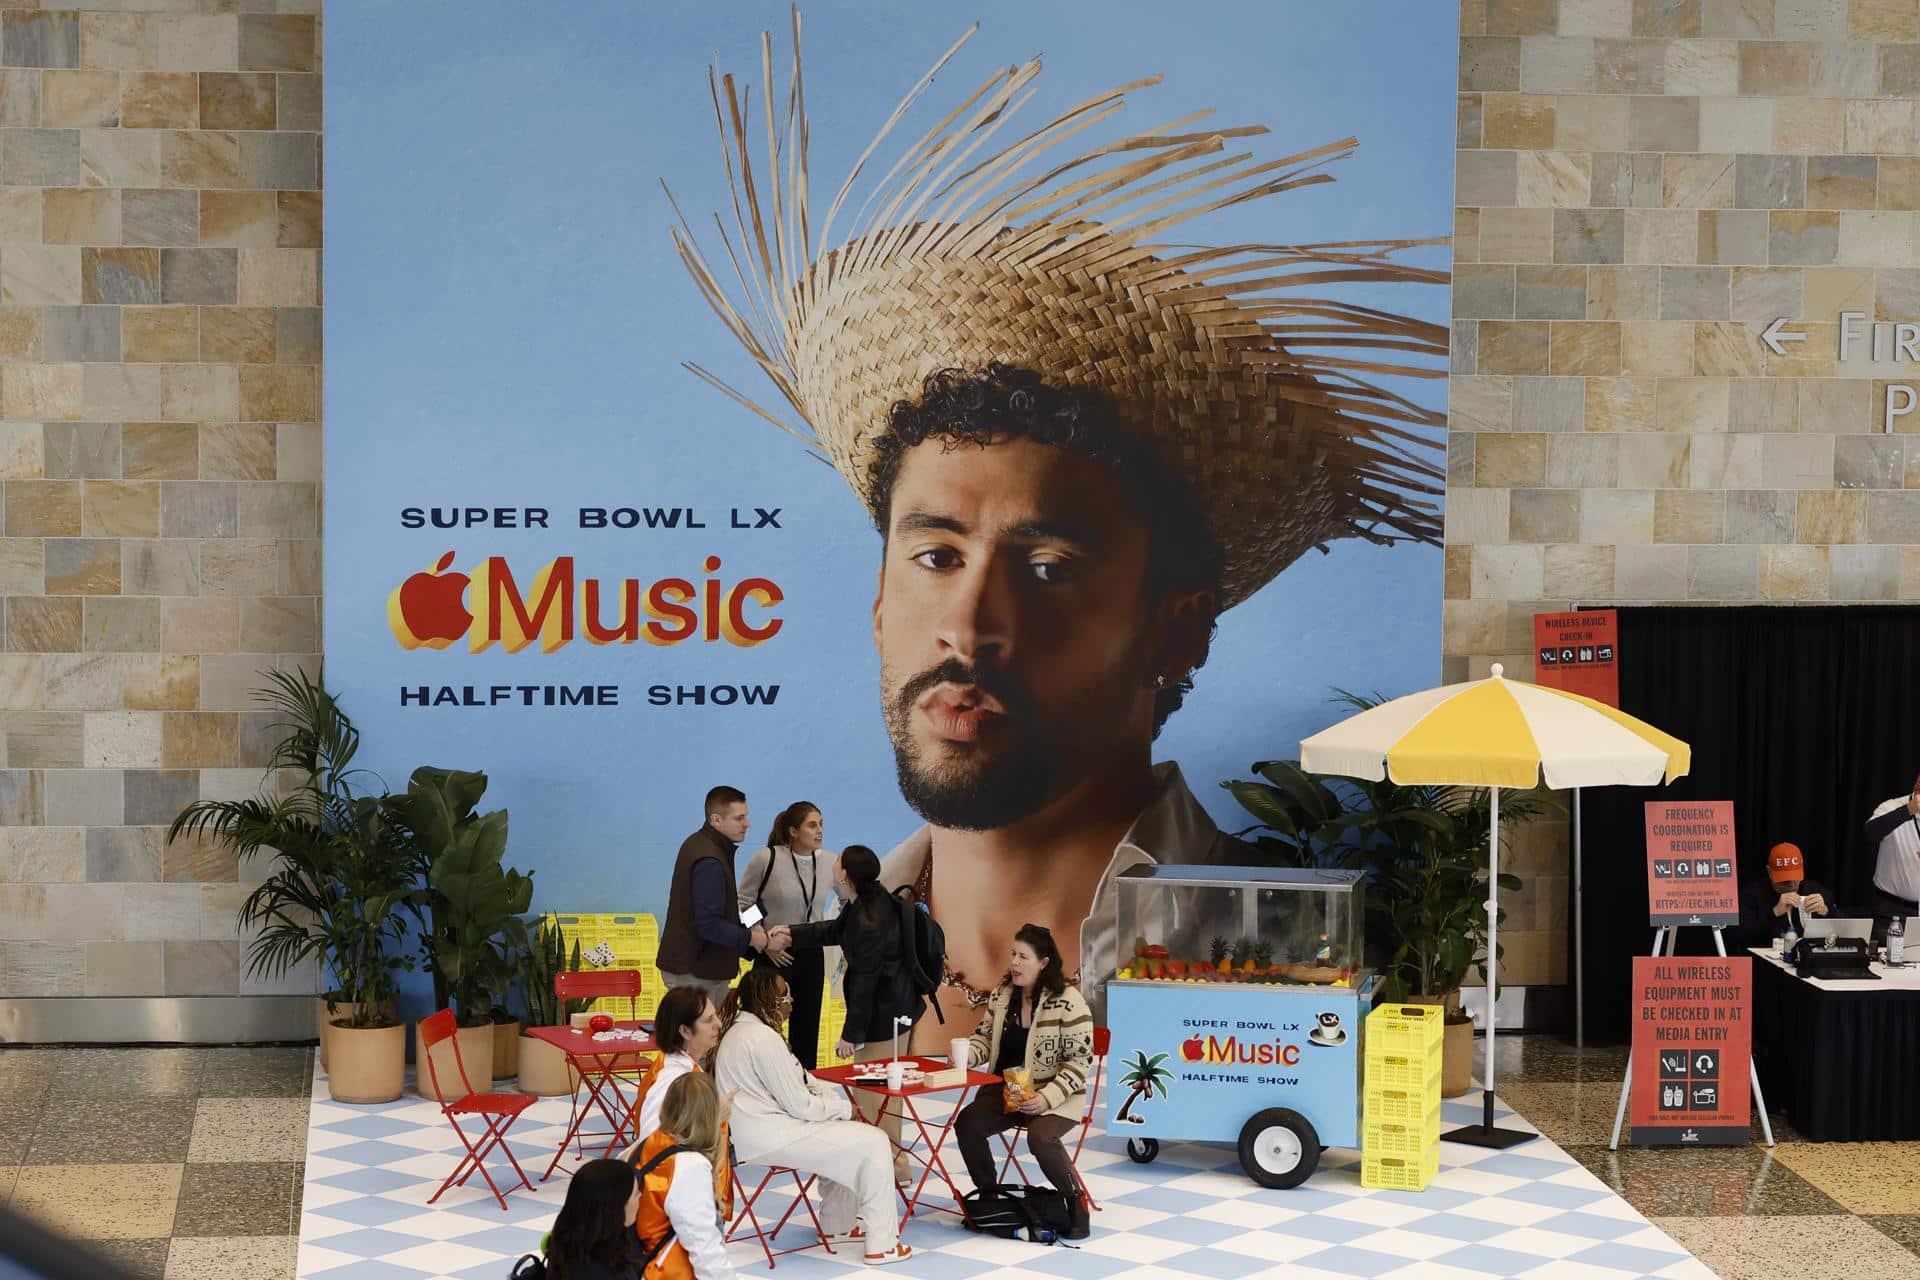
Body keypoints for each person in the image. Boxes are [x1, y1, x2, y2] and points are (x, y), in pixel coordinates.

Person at [671, 32, 1443, 1048]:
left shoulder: (1246, 958)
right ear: (877, 604)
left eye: (1047, 567)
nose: (970, 623)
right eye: (936, 553)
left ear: (1178, 630)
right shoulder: (842, 945)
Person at [712, 967, 910, 1266]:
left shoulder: (746, 1031)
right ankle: (882, 1244)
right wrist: (844, 1108)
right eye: (784, 994)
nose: (792, 1000)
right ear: (769, 1001)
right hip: (770, 1136)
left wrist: (833, 1107)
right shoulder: (761, 1038)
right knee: (875, 1141)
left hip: (763, 1130)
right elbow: (800, 1104)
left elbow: (802, 1080)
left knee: (843, 1131)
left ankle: (838, 1226)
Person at [785, 845, 925, 1182]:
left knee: (876, 1097)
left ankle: (890, 1168)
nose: (834, 865)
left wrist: (852, 1034)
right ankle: (885, 1164)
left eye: (837, 862)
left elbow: (864, 983)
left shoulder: (868, 917)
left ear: (845, 873)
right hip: (898, 1011)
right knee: (883, 1095)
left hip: (882, 1020)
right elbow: (834, 931)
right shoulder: (871, 900)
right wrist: (790, 934)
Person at [952, 924, 1095, 1240]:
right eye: (1012, 955)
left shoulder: (1069, 1000)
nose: (1014, 963)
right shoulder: (1003, 995)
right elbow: (985, 1038)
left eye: (1023, 957)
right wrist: (964, 1056)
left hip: (1055, 1095)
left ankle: (1074, 1200)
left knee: (1040, 1137)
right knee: (967, 1123)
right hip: (1008, 1090)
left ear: (1044, 962)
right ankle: (990, 1194)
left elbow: (1081, 1061)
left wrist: (1046, 1099)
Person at [657, 786, 789, 1005]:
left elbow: (724, 908)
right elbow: (709, 924)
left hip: (700, 967)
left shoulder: (705, 845)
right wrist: (761, 939)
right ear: (716, 820)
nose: (747, 824)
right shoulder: (710, 860)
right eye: (740, 818)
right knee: (701, 1037)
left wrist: (754, 922)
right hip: (696, 972)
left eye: (746, 817)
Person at [736, 801, 837, 1067]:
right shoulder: (766, 858)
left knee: (807, 1026)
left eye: (821, 824)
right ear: (793, 831)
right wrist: (764, 941)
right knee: (766, 1026)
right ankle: (763, 1082)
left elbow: (850, 901)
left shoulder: (830, 862)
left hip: (811, 953)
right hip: (774, 953)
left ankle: (805, 1084)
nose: (820, 831)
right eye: (812, 825)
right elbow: (744, 904)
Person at [628, 1072, 736, 1280]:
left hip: (641, 1263)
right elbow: (703, 1246)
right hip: (668, 1272)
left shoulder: (647, 1145)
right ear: (709, 1116)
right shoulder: (689, 1166)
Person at [622, 986, 723, 1154]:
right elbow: (652, 1144)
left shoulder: (687, 1066)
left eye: (716, 1016)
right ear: (685, 1031)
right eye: (708, 1020)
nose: (718, 1024)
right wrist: (717, 1116)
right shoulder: (671, 1078)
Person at [542, 1158, 643, 1280]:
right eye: (636, 1194)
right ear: (616, 1210)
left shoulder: (563, 1243)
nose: (640, 1196)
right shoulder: (609, 1272)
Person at [1864, 771, 1920, 923]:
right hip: (1891, 911)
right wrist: (1908, 810)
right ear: (1917, 783)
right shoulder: (1891, 807)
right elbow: (1870, 833)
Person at [1746, 843, 1833, 938]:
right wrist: (1775, 912)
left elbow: (1844, 927)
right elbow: (1737, 935)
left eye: (1794, 877)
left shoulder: (1814, 890)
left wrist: (1826, 911)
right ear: (1769, 872)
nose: (1790, 884)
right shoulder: (1753, 894)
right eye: (1784, 879)